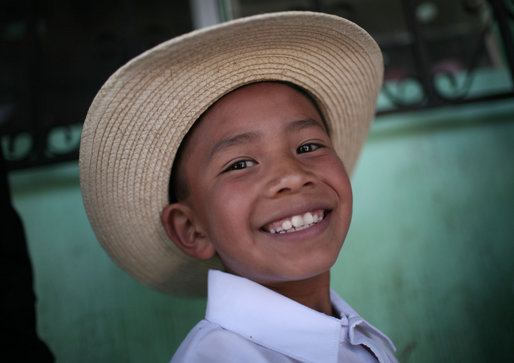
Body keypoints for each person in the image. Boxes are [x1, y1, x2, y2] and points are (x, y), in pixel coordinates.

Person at [79, 11, 398, 362]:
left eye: (308, 146)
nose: (292, 175)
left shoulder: (353, 336)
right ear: (192, 229)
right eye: (240, 164)